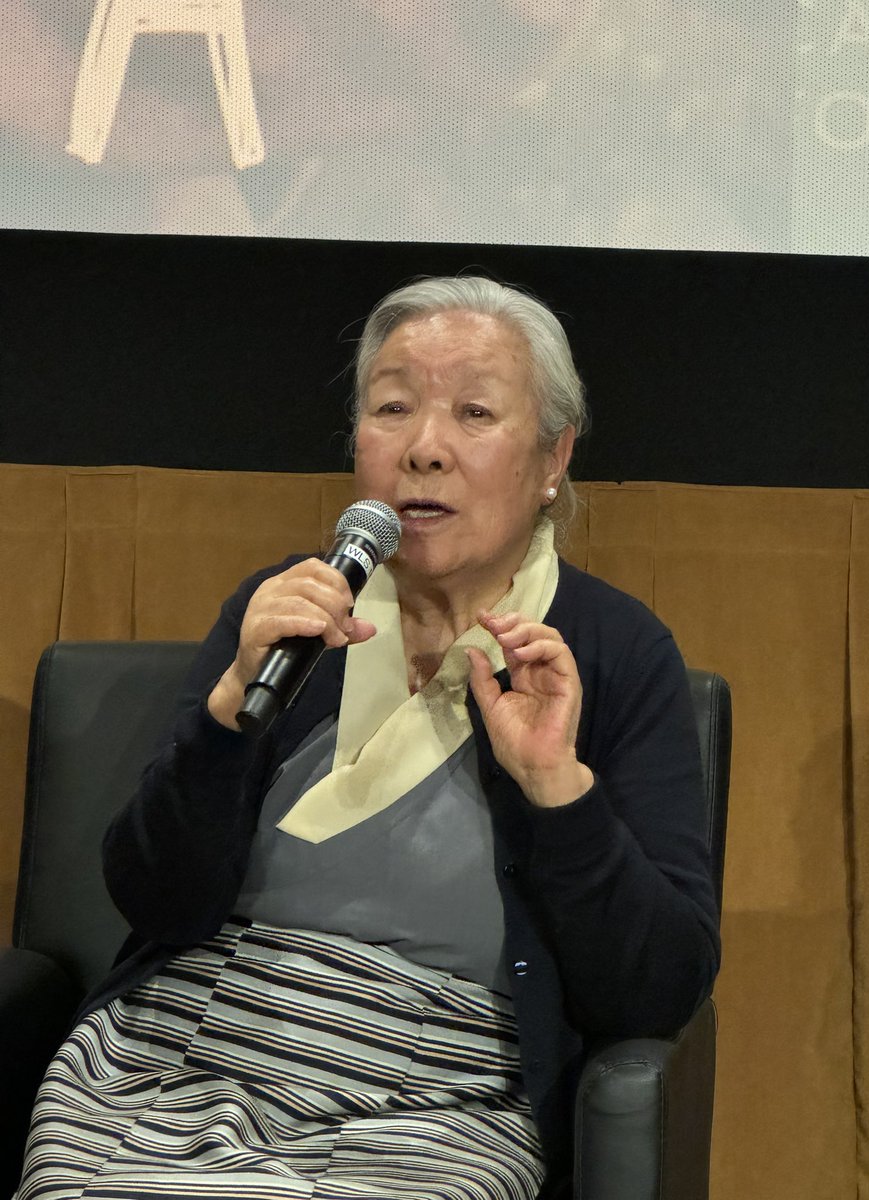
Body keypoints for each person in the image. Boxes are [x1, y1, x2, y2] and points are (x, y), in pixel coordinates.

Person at [17, 276, 720, 1200]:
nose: (424, 450)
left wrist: (556, 785)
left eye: (473, 412)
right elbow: (155, 898)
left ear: (554, 456)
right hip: (178, 1053)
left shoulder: (617, 654)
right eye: (393, 408)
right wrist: (226, 716)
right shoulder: (292, 612)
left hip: (437, 1097)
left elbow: (658, 989)